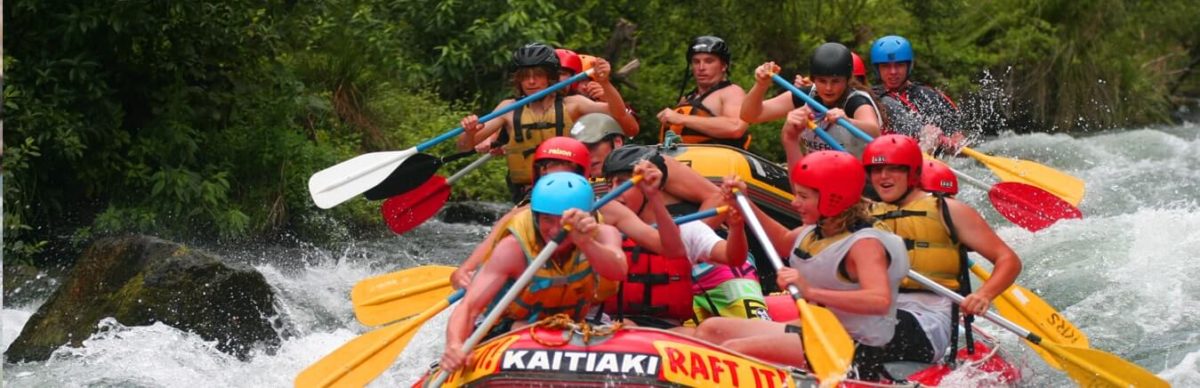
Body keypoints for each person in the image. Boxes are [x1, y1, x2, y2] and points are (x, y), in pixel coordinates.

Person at [692, 151, 911, 380]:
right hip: (818, 329)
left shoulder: (865, 244)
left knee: (735, 350)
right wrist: (744, 202)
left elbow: (880, 300)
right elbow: (785, 242)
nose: (794, 203)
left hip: (855, 346)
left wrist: (811, 292)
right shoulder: (819, 229)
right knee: (711, 329)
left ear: (832, 198)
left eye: (803, 197)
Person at [863, 134, 1022, 370]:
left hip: (928, 320)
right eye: (876, 170)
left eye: (894, 169)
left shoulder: (949, 210)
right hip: (878, 309)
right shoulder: (867, 214)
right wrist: (791, 140)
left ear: (913, 173)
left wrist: (984, 295)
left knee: (859, 328)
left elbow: (1008, 260)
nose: (883, 176)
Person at [439, 171, 626, 373]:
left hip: (575, 325)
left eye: (562, 221)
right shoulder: (513, 249)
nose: (555, 230)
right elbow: (469, 307)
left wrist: (585, 242)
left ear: (586, 216)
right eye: (547, 220)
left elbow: (617, 271)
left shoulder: (603, 234)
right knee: (520, 327)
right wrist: (455, 345)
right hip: (511, 327)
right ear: (535, 217)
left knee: (621, 329)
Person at [596, 147, 757, 329]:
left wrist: (736, 227)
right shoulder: (601, 228)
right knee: (626, 325)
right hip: (615, 327)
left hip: (673, 331)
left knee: (707, 330)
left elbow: (734, 258)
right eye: (610, 185)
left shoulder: (686, 228)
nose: (614, 192)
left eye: (624, 183)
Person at [456, 43, 638, 203]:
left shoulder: (574, 105)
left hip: (570, 188)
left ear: (550, 77)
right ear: (518, 80)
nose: (531, 81)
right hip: (527, 192)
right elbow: (464, 147)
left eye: (538, 75)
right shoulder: (508, 109)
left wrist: (605, 83)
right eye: (525, 76)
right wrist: (470, 132)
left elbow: (619, 114)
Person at [571, 113, 727, 228]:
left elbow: (717, 198)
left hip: (699, 256)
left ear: (617, 142)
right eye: (581, 150)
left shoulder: (653, 164)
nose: (587, 156)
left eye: (592, 146)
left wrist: (693, 243)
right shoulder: (580, 184)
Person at [742, 43, 884, 157]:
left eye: (835, 81)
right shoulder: (805, 95)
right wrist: (761, 84)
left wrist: (847, 121)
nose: (828, 88)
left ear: (847, 80)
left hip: (858, 180)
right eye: (822, 81)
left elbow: (874, 131)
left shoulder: (856, 101)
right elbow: (750, 115)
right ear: (813, 79)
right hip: (817, 178)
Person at [869, 35, 964, 152]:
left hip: (927, 163)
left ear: (908, 66)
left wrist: (953, 145)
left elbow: (960, 142)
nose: (893, 72)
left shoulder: (929, 96)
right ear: (877, 69)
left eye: (899, 65)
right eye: (886, 66)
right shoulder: (870, 97)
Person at [657, 35, 751, 149]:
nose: (701, 67)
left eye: (709, 61)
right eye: (696, 62)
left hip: (719, 161)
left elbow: (736, 127)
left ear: (724, 66)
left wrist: (681, 119)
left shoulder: (732, 92)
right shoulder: (687, 99)